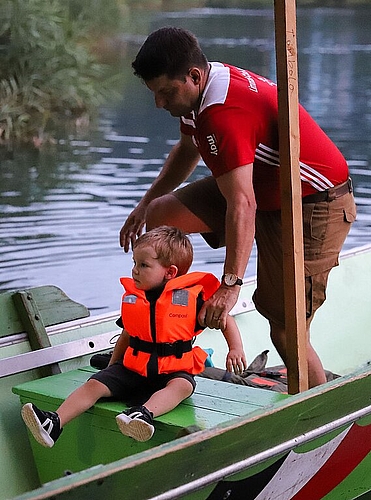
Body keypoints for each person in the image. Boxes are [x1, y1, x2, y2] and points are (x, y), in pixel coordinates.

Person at [119, 27, 357, 388]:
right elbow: (187, 151)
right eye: (155, 94)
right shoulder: (197, 93)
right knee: (161, 213)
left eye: (165, 93)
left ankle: (317, 409)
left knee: (284, 323)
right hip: (259, 187)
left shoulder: (222, 111)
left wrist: (230, 287)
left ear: (193, 76)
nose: (159, 104)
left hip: (313, 202)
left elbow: (242, 203)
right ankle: (169, 310)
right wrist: (144, 204)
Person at [21, 226, 247, 447]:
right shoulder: (135, 299)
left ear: (170, 272)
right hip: (133, 369)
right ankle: (54, 423)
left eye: (144, 265)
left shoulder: (190, 299)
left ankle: (143, 415)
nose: (135, 270)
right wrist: (112, 366)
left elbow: (224, 319)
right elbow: (128, 334)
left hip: (171, 373)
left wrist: (235, 348)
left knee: (184, 386)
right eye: (135, 264)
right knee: (93, 386)